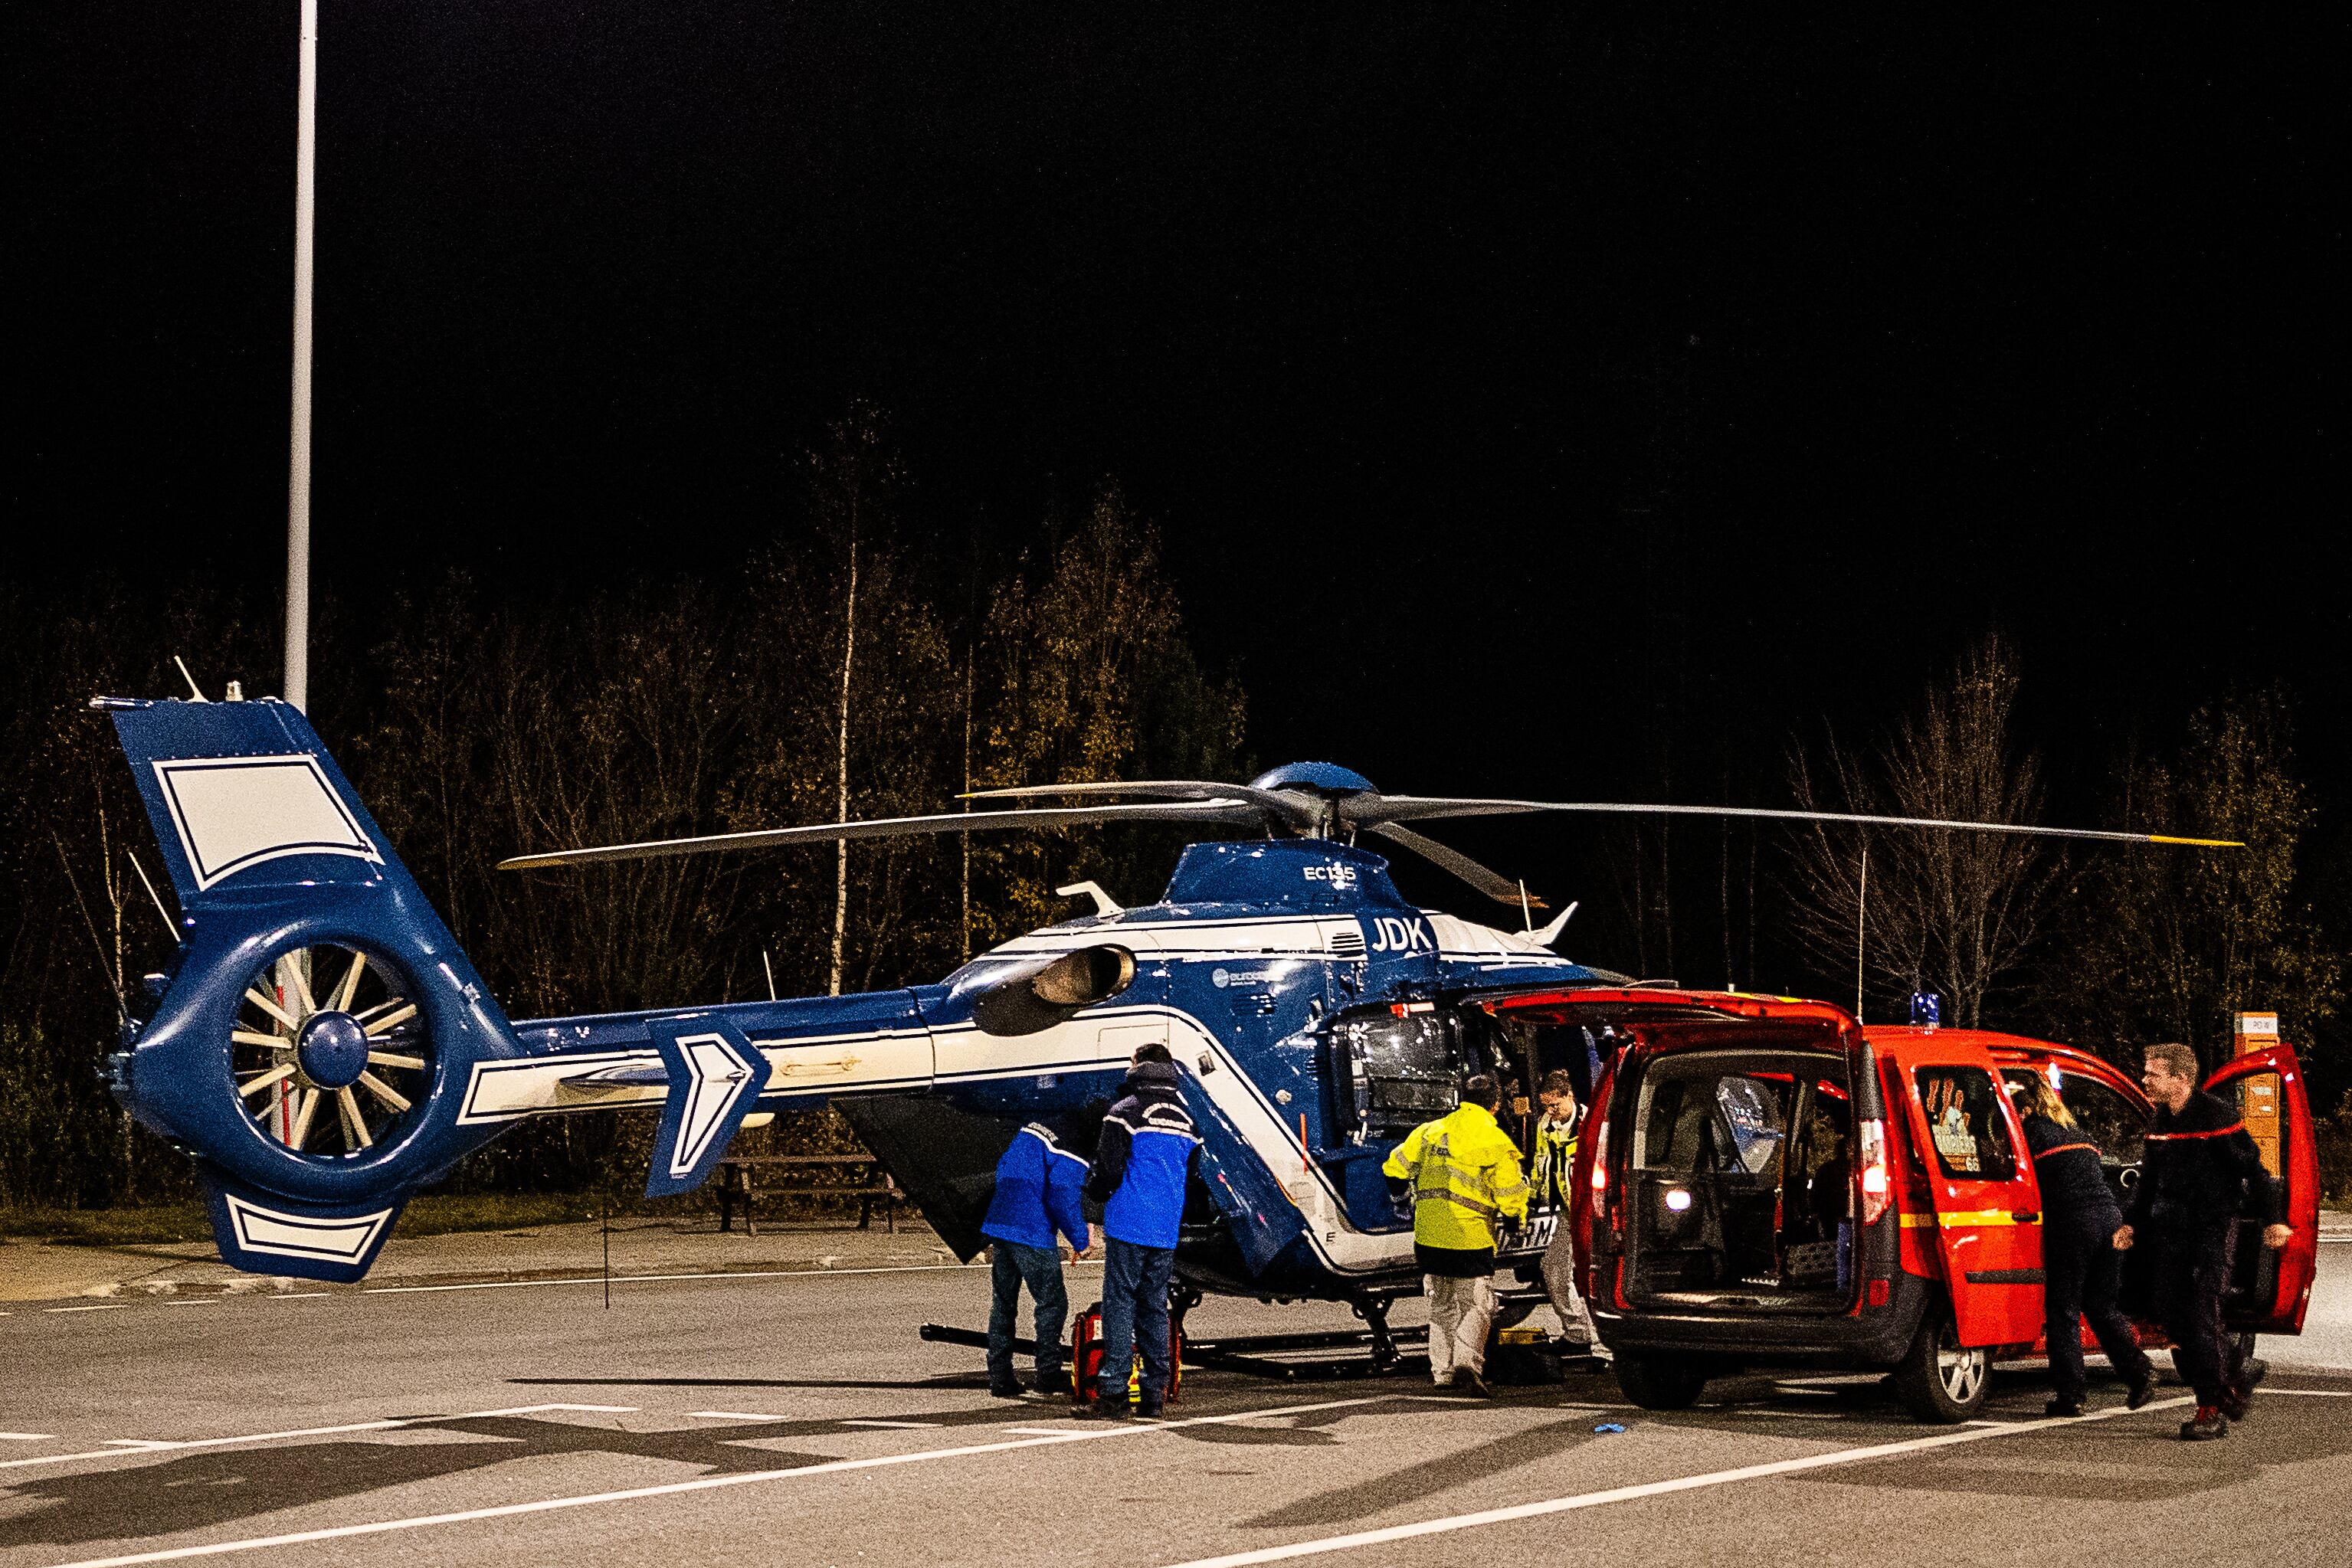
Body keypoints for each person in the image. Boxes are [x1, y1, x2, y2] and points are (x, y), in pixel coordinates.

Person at [2115, 1041, 2292, 1441]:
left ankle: (2209, 1410)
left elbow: (2256, 1172)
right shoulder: (2160, 1122)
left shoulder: (2217, 1116)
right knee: (2169, 1314)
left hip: (2211, 1229)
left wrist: (2275, 1219)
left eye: (2152, 1073)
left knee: (2201, 1313)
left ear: (2180, 1078)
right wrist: (2131, 1223)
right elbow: (2148, 1182)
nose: (2145, 1079)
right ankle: (2238, 1370)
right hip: (2168, 1231)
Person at [2010, 1072, 2156, 1417]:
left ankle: (2071, 1394)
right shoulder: (2080, 1135)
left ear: (2027, 1108)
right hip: (2108, 1219)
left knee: (2063, 1309)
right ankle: (2139, 1371)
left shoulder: (2030, 1136)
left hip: (2072, 1224)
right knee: (2101, 1305)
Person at [1383, 1073, 1531, 1396]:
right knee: (1477, 1304)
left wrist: (1401, 1202)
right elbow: (1509, 1193)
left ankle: (1442, 1372)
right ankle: (1468, 1362)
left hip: (1429, 1236)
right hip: (1471, 1236)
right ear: (1495, 1104)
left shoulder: (1429, 1132)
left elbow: (1393, 1169)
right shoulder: (1495, 1141)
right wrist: (1515, 1219)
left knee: (1440, 1304)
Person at [1078, 1043, 1199, 1419]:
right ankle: (1153, 1395)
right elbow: (1193, 1176)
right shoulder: (1188, 1119)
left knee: (1120, 1302)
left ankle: (1113, 1392)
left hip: (1130, 1221)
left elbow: (1108, 1170)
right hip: (1165, 1227)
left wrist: (1093, 1196)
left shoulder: (1125, 1113)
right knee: (1153, 1305)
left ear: (1138, 1067)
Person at [979, 1104, 1098, 1398]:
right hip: (1031, 1230)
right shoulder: (1073, 1146)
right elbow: (1063, 1195)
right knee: (1052, 1303)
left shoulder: (1033, 1127)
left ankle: (1000, 1377)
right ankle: (1047, 1374)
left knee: (1003, 1303)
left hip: (1000, 1222)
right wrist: (1081, 1239)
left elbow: (1004, 1168)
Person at [1528, 1069, 1600, 1354]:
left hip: (1591, 1210)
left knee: (1592, 1273)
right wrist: (1534, 1197)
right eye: (1546, 1106)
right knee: (1554, 1269)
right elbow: (1540, 1163)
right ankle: (1577, 1333)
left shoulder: (1590, 1124)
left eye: (1555, 1105)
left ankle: (1602, 1342)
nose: (1550, 1112)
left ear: (1570, 1096)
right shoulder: (1544, 1125)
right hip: (1563, 1212)